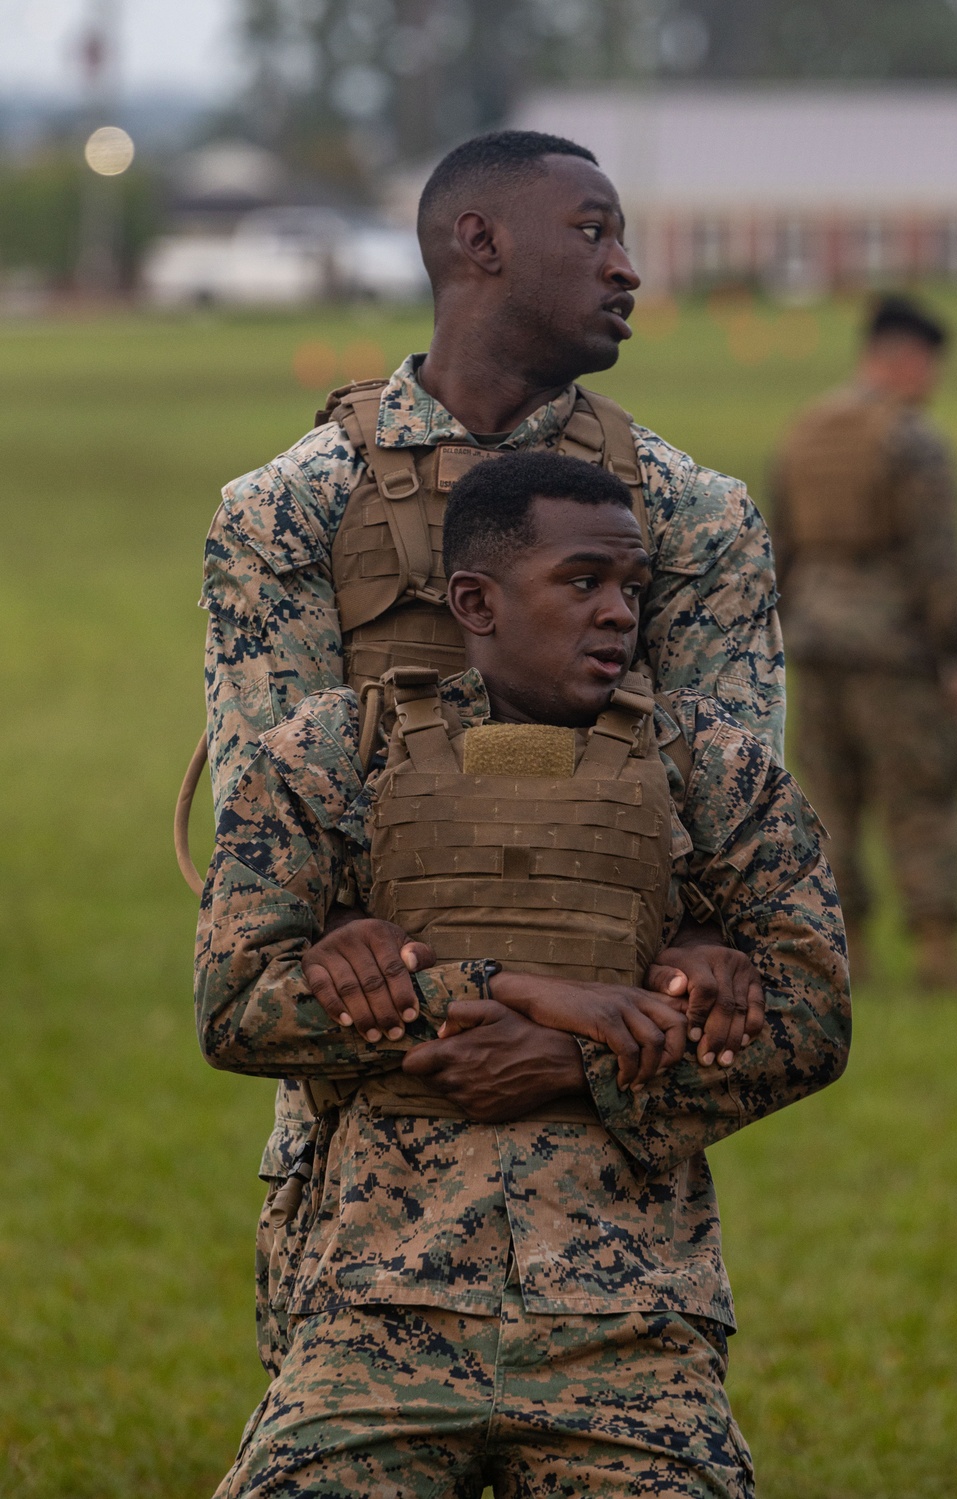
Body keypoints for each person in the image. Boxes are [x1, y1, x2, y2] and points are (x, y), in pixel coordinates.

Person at [196, 128, 786, 1371]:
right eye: (593, 231)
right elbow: (271, 841)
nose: (627, 268)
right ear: (479, 242)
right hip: (372, 1115)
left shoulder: (691, 513)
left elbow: (737, 841)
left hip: (611, 1120)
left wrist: (654, 972)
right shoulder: (291, 506)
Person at [196, 454, 850, 1499]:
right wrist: (508, 986)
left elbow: (811, 1015)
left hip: (630, 1333)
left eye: (633, 589)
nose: (617, 615)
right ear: (474, 601)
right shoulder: (334, 754)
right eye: (582, 581)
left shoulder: (712, 770)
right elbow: (235, 1005)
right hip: (375, 1318)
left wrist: (573, 1058)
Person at [771, 293, 957, 989]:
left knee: (830, 803)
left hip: (812, 639)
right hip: (892, 648)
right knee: (923, 795)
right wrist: (956, 652)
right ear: (910, 360)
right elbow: (937, 561)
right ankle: (937, 952)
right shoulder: (911, 437)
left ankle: (844, 954)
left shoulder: (805, 428)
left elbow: (781, 547)